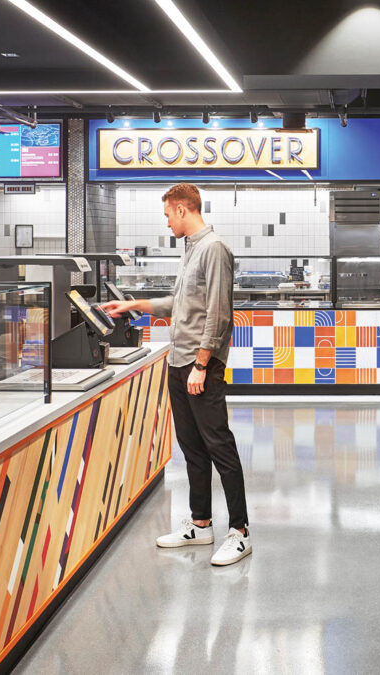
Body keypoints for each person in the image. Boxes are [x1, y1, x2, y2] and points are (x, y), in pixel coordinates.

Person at [100, 183, 251, 566]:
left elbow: (218, 314)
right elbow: (177, 303)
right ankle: (201, 524)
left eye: (168, 215)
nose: (167, 223)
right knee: (192, 448)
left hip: (200, 366)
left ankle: (240, 532)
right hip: (178, 362)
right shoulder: (191, 249)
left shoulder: (213, 249)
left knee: (219, 446)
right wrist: (133, 304)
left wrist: (202, 364)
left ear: (183, 209)